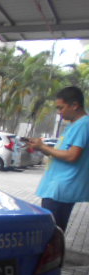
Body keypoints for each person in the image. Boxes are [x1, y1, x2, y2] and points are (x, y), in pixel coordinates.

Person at [28, 86, 89, 231]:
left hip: (61, 189)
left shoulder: (84, 125)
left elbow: (72, 155)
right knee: (50, 231)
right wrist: (41, 147)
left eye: (61, 108)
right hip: (56, 188)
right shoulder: (74, 125)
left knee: (51, 233)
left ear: (74, 105)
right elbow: (60, 153)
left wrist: (43, 147)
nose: (59, 112)